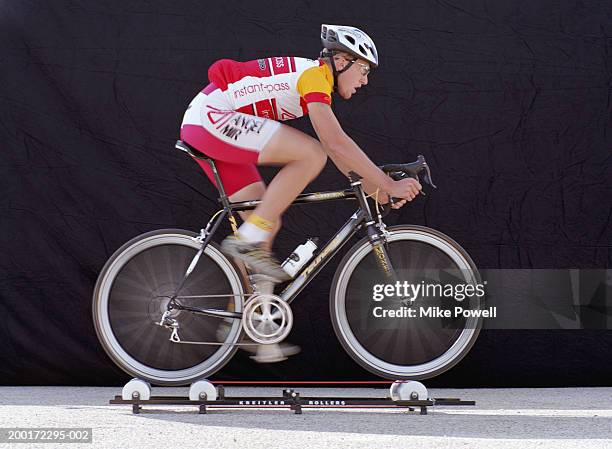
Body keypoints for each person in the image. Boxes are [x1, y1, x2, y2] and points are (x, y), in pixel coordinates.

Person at [180, 24, 422, 282]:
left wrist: (376, 189)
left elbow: (341, 155)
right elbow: (334, 143)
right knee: (311, 154)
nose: (365, 80)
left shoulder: (313, 77)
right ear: (340, 61)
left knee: (266, 221)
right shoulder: (314, 76)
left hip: (204, 124)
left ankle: (248, 313)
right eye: (363, 69)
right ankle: (246, 242)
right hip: (210, 120)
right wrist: (387, 183)